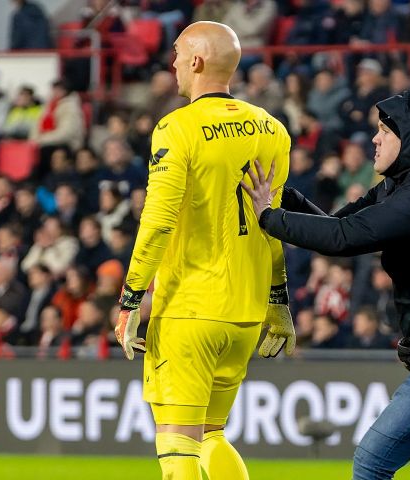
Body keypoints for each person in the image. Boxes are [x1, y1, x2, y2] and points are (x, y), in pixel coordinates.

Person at [242, 88, 410, 480]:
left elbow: (344, 238)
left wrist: (268, 215)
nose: (374, 138)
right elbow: (337, 224)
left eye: (385, 129)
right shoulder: (405, 186)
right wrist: (286, 197)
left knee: (371, 462)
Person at [113, 22, 293, 480]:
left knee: (177, 449)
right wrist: (278, 302)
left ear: (195, 62)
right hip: (246, 313)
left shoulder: (177, 128)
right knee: (211, 434)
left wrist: (131, 298)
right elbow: (273, 224)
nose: (172, 63)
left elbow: (157, 222)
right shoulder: (272, 130)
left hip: (191, 309)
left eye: (176, 54)